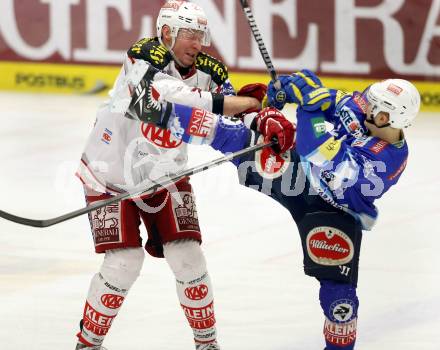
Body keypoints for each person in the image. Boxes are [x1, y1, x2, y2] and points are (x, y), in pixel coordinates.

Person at [143, 70, 420, 350]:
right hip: (298, 174)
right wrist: (294, 86)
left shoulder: (383, 160)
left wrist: (309, 105)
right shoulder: (367, 109)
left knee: (340, 302)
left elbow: (316, 148)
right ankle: (159, 112)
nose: (365, 104)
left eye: (373, 106)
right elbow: (330, 99)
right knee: (235, 135)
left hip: (335, 211)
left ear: (385, 118)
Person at [74, 1, 265, 349]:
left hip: (166, 173)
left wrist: (262, 117)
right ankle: (87, 343)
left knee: (188, 257)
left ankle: (207, 344)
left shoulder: (210, 69)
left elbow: (235, 111)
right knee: (124, 262)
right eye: (189, 35)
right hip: (109, 173)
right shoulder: (142, 55)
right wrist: (239, 107)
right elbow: (165, 101)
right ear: (167, 33)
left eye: (201, 35)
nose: (197, 44)